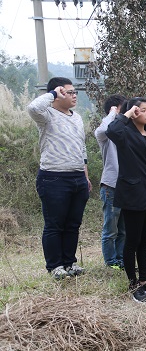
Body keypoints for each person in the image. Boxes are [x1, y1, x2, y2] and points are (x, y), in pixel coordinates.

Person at [27, 77, 91, 280]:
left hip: (78, 177)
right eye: (69, 92)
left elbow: (82, 148)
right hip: (53, 177)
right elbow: (32, 107)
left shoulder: (77, 117)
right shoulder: (46, 115)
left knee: (73, 224)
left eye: (74, 92)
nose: (74, 96)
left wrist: (85, 176)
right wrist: (54, 93)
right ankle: (55, 266)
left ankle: (69, 262)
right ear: (57, 94)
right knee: (54, 224)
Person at [106, 97, 146, 303]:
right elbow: (111, 130)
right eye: (143, 110)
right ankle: (133, 283)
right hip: (133, 194)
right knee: (132, 241)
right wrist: (127, 114)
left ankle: (145, 280)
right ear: (133, 112)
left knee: (145, 241)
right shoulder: (125, 133)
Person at [94, 94, 127, 270]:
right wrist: (113, 113)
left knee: (123, 228)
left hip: (126, 186)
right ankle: (111, 261)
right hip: (111, 185)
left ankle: (121, 258)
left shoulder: (125, 132)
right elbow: (100, 131)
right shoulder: (106, 134)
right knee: (111, 227)